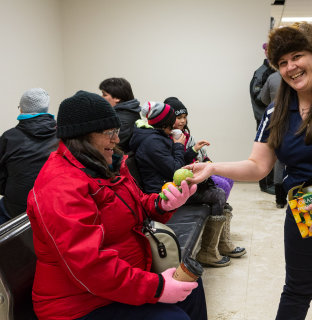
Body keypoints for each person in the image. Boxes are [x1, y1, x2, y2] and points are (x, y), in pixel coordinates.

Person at [185, 22, 312, 319]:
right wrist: (212, 167)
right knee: (297, 289)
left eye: (297, 56)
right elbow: (258, 166)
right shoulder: (277, 110)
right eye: (282, 62)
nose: (290, 67)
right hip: (305, 208)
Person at [26, 91, 206, 320]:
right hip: (79, 303)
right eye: (109, 133)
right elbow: (89, 266)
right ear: (80, 137)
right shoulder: (60, 186)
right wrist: (157, 287)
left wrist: (163, 204)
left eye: (116, 132)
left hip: (116, 285)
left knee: (191, 287)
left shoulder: (105, 165)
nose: (116, 139)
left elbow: (137, 204)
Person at [164, 97, 246, 265]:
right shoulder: (168, 139)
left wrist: (206, 162)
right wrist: (190, 152)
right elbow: (177, 167)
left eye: (184, 117)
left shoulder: (187, 136)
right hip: (182, 184)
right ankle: (210, 249)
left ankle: (220, 243)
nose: (182, 121)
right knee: (219, 191)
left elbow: (202, 158)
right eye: (178, 117)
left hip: (195, 178)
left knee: (226, 179)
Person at [0, 88, 57, 223]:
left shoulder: (8, 137)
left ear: (21, 110)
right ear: (46, 109)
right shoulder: (63, 135)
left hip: (16, 210)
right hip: (54, 207)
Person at [250, 42, 276, 194]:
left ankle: (272, 182)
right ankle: (266, 184)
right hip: (264, 117)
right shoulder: (262, 72)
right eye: (268, 50)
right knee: (265, 150)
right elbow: (257, 96)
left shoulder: (274, 70)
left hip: (275, 117)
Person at [260, 72, 287, 208]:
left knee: (279, 160)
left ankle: (280, 200)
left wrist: (274, 100)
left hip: (277, 120)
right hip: (300, 121)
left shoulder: (272, 77)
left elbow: (263, 98)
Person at [99, 77, 141, 153]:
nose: (101, 97)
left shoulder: (121, 120)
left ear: (117, 98)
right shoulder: (128, 113)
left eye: (104, 95)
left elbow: (110, 146)